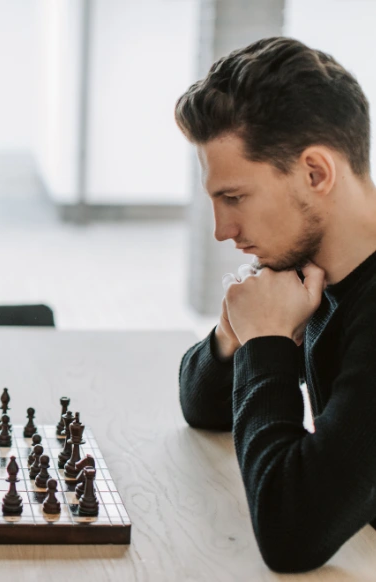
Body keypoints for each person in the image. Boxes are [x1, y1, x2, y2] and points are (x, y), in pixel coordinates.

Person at [176, 36, 376, 573]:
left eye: (235, 197)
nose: (222, 231)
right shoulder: (312, 268)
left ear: (315, 173)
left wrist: (266, 342)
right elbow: (203, 404)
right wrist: (235, 333)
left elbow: (293, 532)